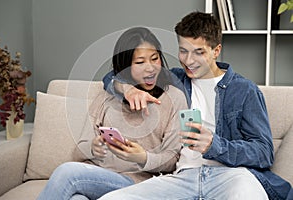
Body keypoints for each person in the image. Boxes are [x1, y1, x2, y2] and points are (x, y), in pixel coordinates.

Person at [100, 12, 293, 199]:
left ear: (216, 50)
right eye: (183, 51)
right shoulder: (175, 79)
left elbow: (263, 152)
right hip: (182, 178)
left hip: (230, 176)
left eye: (198, 52)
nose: (189, 61)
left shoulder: (244, 90)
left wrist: (214, 145)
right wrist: (127, 90)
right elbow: (112, 76)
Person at [37, 27, 188, 200]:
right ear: (125, 66)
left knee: (66, 172)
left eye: (155, 59)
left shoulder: (174, 98)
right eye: (140, 62)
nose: (150, 68)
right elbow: (80, 149)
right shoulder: (108, 95)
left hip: (136, 183)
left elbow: (173, 158)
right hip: (95, 176)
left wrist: (143, 157)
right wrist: (94, 148)